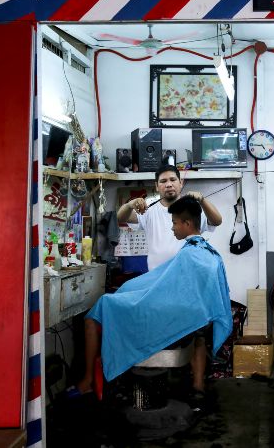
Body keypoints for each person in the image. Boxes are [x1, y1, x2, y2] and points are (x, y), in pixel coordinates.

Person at [77, 196, 232, 401]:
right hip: (186, 311)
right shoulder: (206, 252)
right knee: (122, 294)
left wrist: (136, 292)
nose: (172, 228)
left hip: (173, 312)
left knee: (105, 304)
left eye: (175, 223)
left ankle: (95, 378)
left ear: (187, 224)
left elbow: (169, 290)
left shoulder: (190, 254)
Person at [108, 165, 223, 399]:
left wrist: (202, 200)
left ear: (181, 183)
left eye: (173, 179)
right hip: (158, 286)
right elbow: (120, 218)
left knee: (198, 330)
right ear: (156, 186)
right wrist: (130, 205)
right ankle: (137, 377)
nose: (168, 184)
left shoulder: (191, 208)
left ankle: (198, 386)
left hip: (186, 288)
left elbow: (217, 220)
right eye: (163, 181)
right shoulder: (149, 209)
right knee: (139, 320)